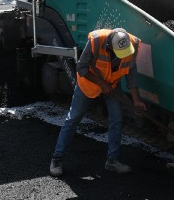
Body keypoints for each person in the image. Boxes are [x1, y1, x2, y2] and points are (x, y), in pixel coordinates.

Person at [50, 28, 147, 177]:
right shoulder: (96, 41)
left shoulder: (130, 44)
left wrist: (136, 101)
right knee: (73, 118)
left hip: (113, 85)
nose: (121, 58)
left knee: (117, 119)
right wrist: (102, 84)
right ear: (109, 47)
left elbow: (131, 74)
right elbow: (81, 67)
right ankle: (57, 159)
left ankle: (112, 161)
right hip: (89, 84)